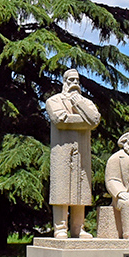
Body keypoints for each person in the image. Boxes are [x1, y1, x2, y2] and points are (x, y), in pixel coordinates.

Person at [46, 69, 100, 239]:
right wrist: (85, 122)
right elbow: (60, 120)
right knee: (61, 190)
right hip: (62, 151)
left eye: (77, 80)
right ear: (64, 82)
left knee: (81, 190)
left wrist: (79, 104)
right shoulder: (53, 100)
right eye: (71, 80)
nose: (74, 83)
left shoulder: (86, 102)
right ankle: (60, 228)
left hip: (82, 152)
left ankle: (78, 228)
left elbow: (95, 120)